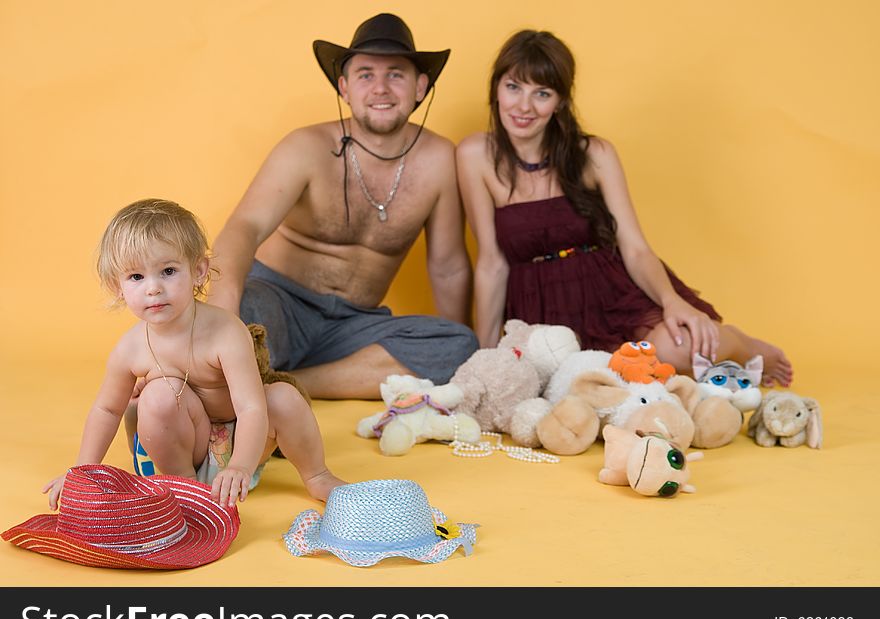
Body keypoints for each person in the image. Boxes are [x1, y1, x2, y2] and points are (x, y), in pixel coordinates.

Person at [456, 30, 793, 387]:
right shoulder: (474, 155)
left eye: (542, 93)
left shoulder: (594, 154)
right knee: (585, 387)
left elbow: (634, 247)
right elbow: (492, 264)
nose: (524, 107)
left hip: (608, 289)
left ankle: (742, 345)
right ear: (496, 88)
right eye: (514, 87)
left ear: (560, 102)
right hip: (537, 307)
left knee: (675, 350)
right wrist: (486, 356)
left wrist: (671, 301)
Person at [208, 13, 477, 399]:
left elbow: (448, 266)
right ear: (344, 87)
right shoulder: (305, 147)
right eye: (366, 74)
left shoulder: (439, 161)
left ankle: (288, 384)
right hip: (279, 303)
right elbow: (244, 227)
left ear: (420, 86)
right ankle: (256, 368)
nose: (380, 88)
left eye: (396, 75)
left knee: (459, 346)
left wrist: (457, 372)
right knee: (236, 318)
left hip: (354, 324)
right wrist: (223, 309)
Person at [43, 199, 346, 511]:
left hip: (244, 443)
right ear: (116, 286)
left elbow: (251, 407)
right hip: (187, 446)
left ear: (198, 271)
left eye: (168, 271)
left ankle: (317, 475)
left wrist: (240, 465)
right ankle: (185, 488)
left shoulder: (225, 332)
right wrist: (80, 471)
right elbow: (106, 410)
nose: (153, 289)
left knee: (283, 397)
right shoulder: (130, 348)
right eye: (136, 277)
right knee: (155, 396)